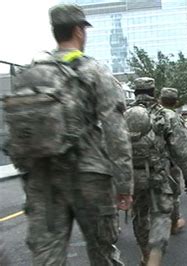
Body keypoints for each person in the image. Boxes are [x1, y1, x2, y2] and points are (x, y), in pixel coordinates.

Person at [7, 4, 133, 265]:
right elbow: (116, 133)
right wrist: (124, 186)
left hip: (43, 179)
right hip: (90, 177)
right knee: (103, 253)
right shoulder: (95, 71)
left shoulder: (29, 74)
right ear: (79, 30)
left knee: (47, 256)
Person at [127, 78, 187, 265]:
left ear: (135, 93)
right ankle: (155, 253)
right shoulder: (167, 116)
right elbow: (182, 151)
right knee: (162, 214)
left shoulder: (123, 115)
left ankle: (144, 252)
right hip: (158, 174)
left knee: (140, 215)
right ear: (153, 91)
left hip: (132, 175)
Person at [159, 87, 187, 235]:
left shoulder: (147, 114)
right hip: (167, 166)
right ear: (176, 102)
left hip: (142, 167)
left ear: (159, 100)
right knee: (173, 197)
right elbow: (182, 151)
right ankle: (173, 225)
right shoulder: (173, 118)